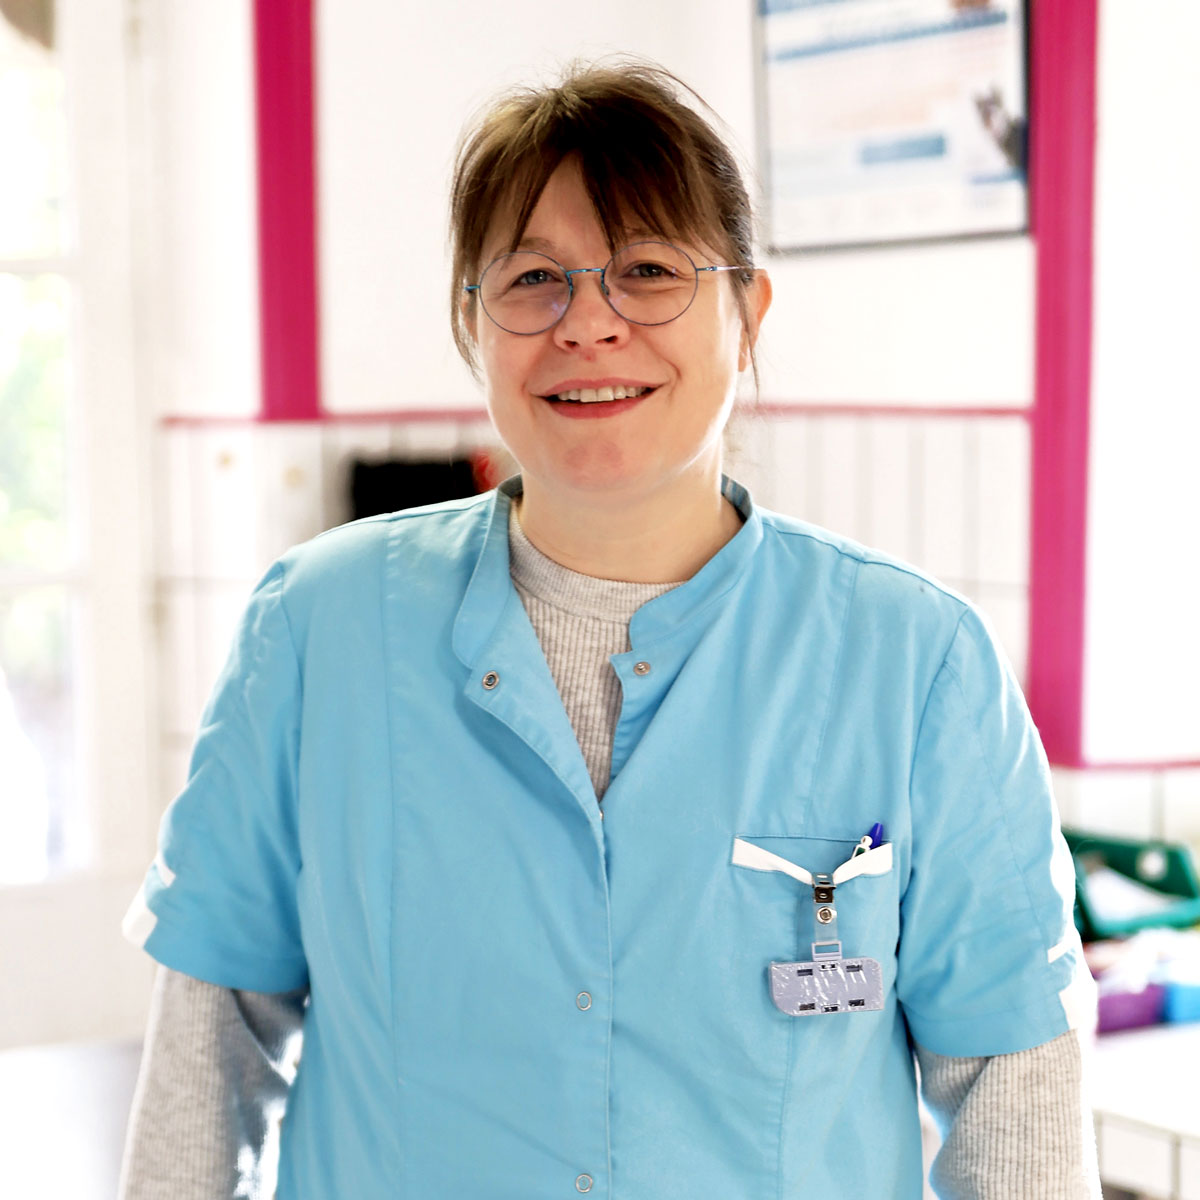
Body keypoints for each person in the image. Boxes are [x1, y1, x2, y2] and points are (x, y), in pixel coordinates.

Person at [119, 60, 1099, 1199]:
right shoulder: (316, 631)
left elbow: (1015, 1089)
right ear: (472, 323)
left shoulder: (914, 662)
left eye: (648, 272)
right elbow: (207, 1057)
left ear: (748, 316)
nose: (589, 323)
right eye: (534, 278)